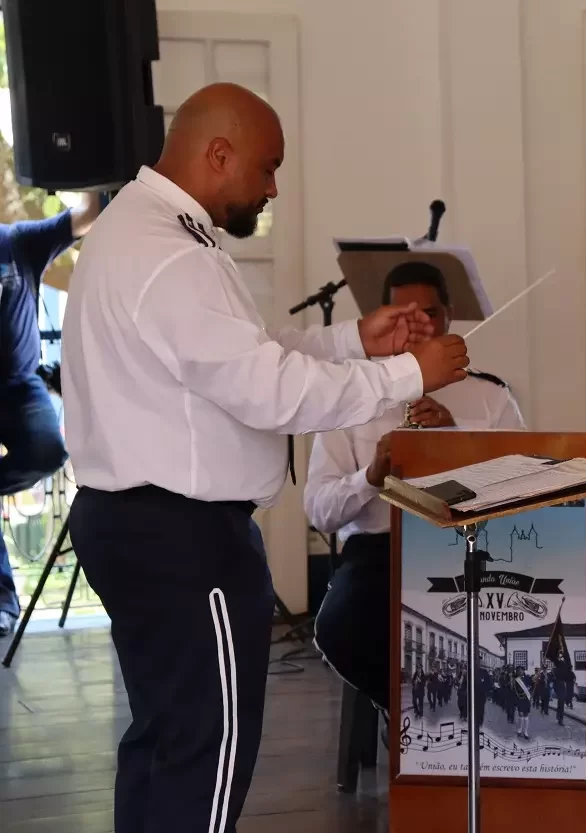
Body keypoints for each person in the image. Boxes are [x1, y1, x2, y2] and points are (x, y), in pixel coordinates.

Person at [59, 83, 469, 833]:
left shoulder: (142, 229)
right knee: (206, 751)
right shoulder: (168, 253)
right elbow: (269, 392)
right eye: (268, 166)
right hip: (181, 538)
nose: (274, 186)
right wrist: (411, 372)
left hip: (139, 524)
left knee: (162, 740)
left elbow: (240, 359)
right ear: (219, 155)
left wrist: (354, 341)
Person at [306, 260, 525, 711]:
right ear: (386, 317)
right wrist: (371, 476)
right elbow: (319, 511)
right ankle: (411, 719)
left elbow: (526, 491)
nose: (420, 327)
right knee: (339, 629)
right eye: (406, 316)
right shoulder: (350, 394)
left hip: (471, 550)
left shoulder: (491, 395)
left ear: (448, 316)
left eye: (431, 314)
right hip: (379, 552)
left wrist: (456, 441)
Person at [0, 193, 104, 636]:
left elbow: (87, 217)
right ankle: (4, 605)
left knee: (49, 451)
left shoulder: (18, 242)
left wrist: (93, 180)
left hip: (19, 388)